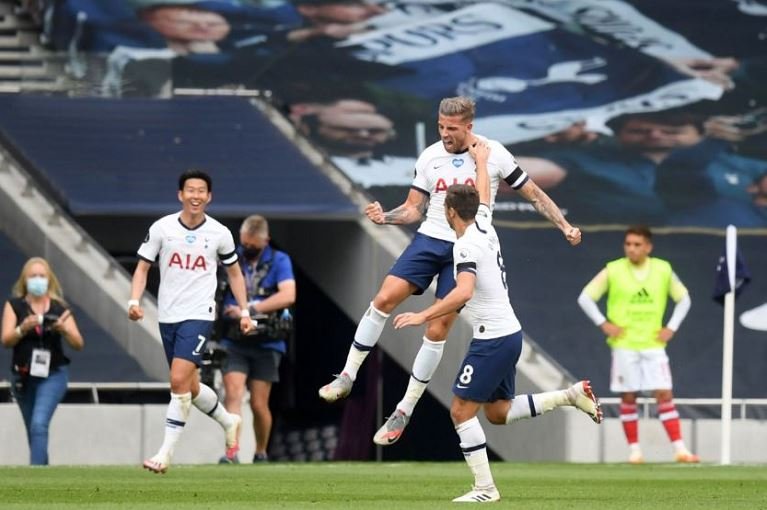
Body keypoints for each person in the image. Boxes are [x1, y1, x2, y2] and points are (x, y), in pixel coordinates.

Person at [319, 96, 582, 447]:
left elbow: (532, 192)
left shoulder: (493, 154)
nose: (445, 134)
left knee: (438, 326)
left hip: (465, 248)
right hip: (431, 239)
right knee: (384, 297)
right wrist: (388, 217)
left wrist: (564, 226)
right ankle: (347, 375)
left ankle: (404, 409)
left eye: (452, 129)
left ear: (469, 127)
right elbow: (414, 208)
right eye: (441, 126)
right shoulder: (430, 156)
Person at [392, 140, 601, 502]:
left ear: (452, 212)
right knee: (498, 413)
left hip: (493, 340)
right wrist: (483, 161)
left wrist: (422, 314)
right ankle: (570, 395)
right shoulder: (484, 223)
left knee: (460, 410)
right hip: (508, 334)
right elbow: (485, 195)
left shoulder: (464, 246)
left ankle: (485, 489)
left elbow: (463, 292)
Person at [128, 169, 254, 474]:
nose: (195, 196)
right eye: (190, 190)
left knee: (176, 382)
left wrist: (245, 310)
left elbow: (235, 273)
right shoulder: (162, 228)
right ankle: (228, 421)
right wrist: (134, 300)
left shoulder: (220, 233)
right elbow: (143, 267)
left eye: (201, 191)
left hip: (199, 314)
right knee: (191, 385)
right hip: (167, 314)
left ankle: (165, 453)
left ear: (209, 197)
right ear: (180, 195)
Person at [576, 225, 699, 464]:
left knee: (664, 393)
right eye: (628, 244)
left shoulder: (663, 269)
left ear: (648, 247)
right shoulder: (614, 269)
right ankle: (634, 452)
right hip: (625, 344)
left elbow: (684, 299)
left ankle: (680, 450)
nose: (631, 249)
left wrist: (671, 327)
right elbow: (585, 297)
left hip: (653, 344)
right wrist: (604, 323)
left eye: (637, 244)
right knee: (628, 396)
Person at [518, 110, 767, 226]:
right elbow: (526, 170)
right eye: (639, 130)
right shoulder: (590, 159)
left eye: (672, 130)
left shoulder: (733, 163)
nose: (655, 135)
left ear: (701, 134)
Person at [218, 215, 296, 463]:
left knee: (259, 404)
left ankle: (261, 451)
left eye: (252, 245)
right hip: (234, 340)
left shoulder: (279, 260)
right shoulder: (233, 258)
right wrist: (234, 312)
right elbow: (220, 292)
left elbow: (288, 295)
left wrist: (252, 309)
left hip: (267, 341)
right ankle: (231, 452)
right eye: (244, 244)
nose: (247, 249)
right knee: (233, 394)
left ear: (266, 241)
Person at [1, 257, 85, 465]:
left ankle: (34, 477)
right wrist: (23, 328)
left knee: (39, 424)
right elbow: (6, 340)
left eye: (41, 276)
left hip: (53, 374)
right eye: (33, 276)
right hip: (23, 376)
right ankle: (43, 474)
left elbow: (78, 343)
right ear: (24, 280)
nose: (37, 280)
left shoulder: (59, 308)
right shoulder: (15, 306)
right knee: (33, 430)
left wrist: (63, 329)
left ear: (49, 279)